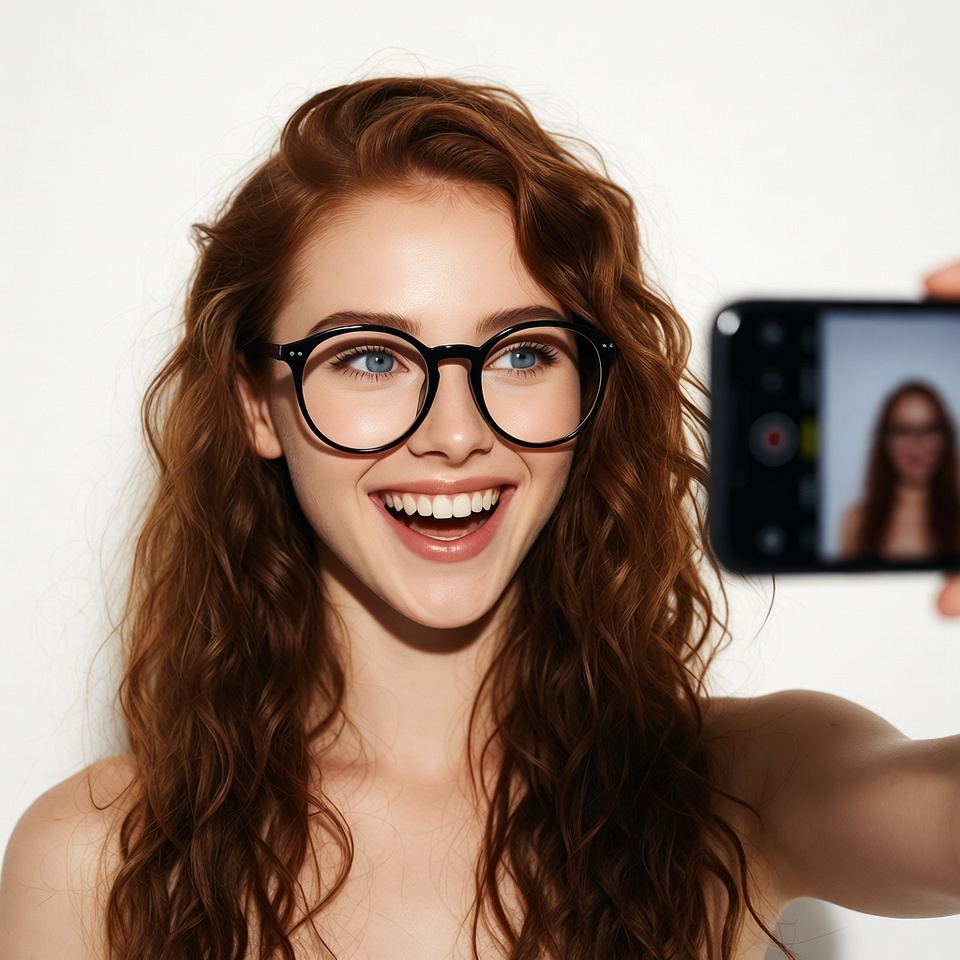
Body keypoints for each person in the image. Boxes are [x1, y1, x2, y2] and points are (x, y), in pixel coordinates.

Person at [1, 76, 960, 960]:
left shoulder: (739, 785)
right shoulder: (95, 859)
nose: (456, 434)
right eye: (372, 357)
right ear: (259, 404)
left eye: (521, 352)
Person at [840, 381, 960, 561]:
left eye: (929, 429)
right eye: (904, 431)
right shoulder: (857, 522)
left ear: (945, 439)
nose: (917, 443)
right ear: (886, 441)